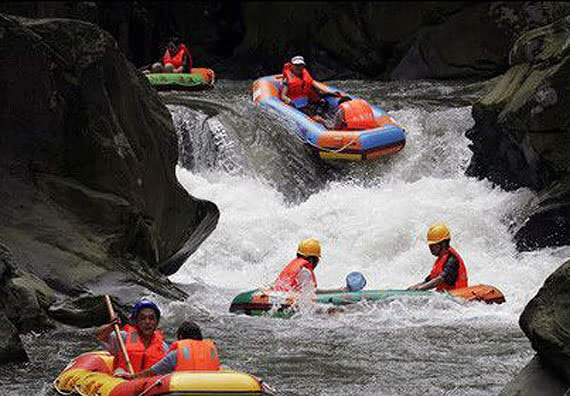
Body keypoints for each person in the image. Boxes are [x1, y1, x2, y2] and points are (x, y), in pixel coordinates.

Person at [116, 320, 220, 379]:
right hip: (210, 387)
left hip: (184, 389)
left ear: (180, 336)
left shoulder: (177, 354)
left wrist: (131, 377)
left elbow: (151, 372)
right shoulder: (211, 351)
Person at [95, 300, 170, 375]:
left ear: (156, 322)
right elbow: (100, 336)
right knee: (119, 371)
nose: (147, 322)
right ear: (136, 321)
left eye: (151, 318)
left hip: (149, 383)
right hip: (123, 380)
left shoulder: (163, 347)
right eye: (142, 318)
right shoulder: (123, 337)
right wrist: (111, 327)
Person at [407, 224, 468, 292]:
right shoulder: (441, 259)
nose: (430, 248)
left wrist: (420, 289)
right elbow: (429, 280)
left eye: (433, 245)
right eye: (430, 245)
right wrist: (415, 287)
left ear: (443, 244)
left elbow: (440, 280)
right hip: (445, 296)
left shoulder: (452, 260)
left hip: (457, 299)